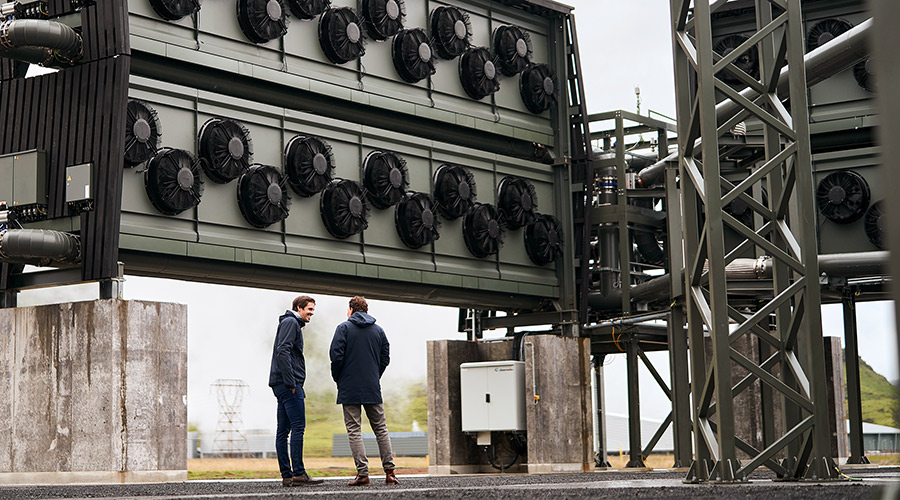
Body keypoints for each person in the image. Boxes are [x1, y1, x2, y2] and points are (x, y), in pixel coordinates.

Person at [329, 296, 399, 486]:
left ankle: (363, 474)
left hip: (349, 386)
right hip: (372, 386)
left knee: (354, 430)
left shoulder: (343, 328)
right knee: (381, 429)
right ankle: (390, 472)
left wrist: (339, 378)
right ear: (366, 310)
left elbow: (336, 357)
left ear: (351, 309)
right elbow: (386, 357)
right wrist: (375, 375)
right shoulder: (378, 330)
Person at [268, 295, 324, 487]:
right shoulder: (291, 322)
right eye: (309, 309)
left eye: (313, 310)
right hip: (288, 385)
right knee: (297, 427)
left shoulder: (288, 323)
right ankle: (299, 473)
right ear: (299, 308)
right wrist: (292, 383)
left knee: (283, 431)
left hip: (280, 384)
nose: (311, 314)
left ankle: (287, 475)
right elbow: (283, 350)